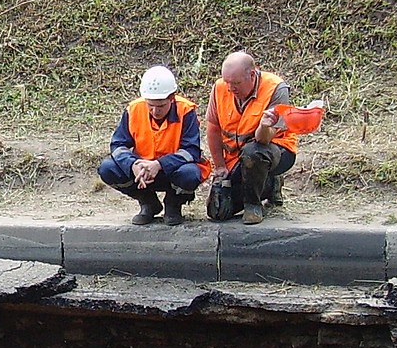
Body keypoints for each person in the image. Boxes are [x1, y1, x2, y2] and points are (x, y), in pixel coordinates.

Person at [98, 65, 208, 227]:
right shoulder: (134, 109)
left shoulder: (185, 111)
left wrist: (159, 165)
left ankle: (173, 205)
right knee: (107, 168)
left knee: (190, 173)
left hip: (173, 171)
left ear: (172, 98)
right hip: (141, 172)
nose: (155, 111)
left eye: (161, 106)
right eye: (150, 105)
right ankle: (148, 203)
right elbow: (118, 145)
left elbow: (191, 150)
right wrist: (133, 164)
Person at [205, 51, 299, 226]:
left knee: (253, 153)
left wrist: (264, 126)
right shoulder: (219, 88)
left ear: (252, 75)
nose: (231, 88)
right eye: (227, 82)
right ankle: (269, 185)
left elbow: (264, 140)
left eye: (236, 83)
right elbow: (213, 128)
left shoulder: (276, 89)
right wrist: (220, 167)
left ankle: (253, 205)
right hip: (237, 157)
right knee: (218, 211)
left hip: (274, 149)